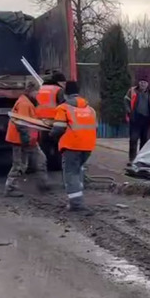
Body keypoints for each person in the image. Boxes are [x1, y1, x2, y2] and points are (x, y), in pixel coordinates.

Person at [51, 81, 97, 211]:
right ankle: (78, 195)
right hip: (88, 146)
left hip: (71, 145)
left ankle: (76, 203)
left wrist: (51, 134)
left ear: (65, 94)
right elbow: (95, 128)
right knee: (78, 170)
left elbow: (58, 128)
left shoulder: (63, 108)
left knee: (70, 173)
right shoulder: (90, 109)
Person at [4, 82, 51, 197]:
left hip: (30, 140)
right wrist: (26, 139)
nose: (38, 94)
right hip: (21, 140)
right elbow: (21, 123)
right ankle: (10, 188)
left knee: (40, 160)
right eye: (37, 92)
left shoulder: (28, 102)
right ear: (31, 91)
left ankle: (43, 184)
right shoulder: (24, 104)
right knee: (19, 165)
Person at [124, 77, 150, 163]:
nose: (143, 84)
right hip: (135, 119)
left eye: (145, 82)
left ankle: (141, 159)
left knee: (145, 140)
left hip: (147, 120)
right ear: (138, 83)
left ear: (147, 84)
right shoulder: (132, 91)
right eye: (141, 82)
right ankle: (132, 159)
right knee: (133, 139)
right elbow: (126, 100)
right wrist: (129, 111)